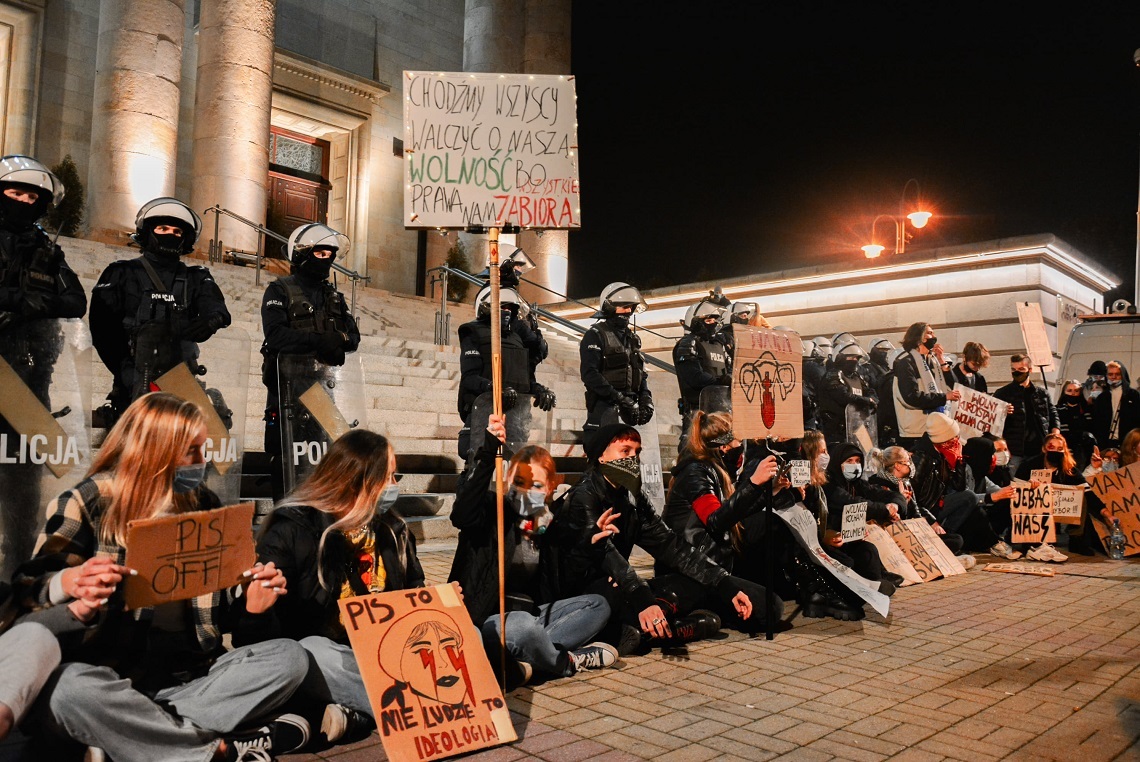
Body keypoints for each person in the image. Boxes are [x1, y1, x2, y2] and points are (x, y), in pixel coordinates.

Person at [13, 393, 310, 761]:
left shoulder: (205, 505)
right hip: (112, 677)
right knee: (65, 689)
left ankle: (131, 738)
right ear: (155, 450)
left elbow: (227, 607)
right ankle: (216, 750)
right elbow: (28, 591)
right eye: (193, 451)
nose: (204, 462)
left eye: (204, 450)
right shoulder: (86, 501)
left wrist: (253, 601)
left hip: (193, 677)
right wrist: (71, 581)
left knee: (289, 657)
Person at [254, 428, 422, 743]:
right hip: (329, 656)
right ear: (357, 481)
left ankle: (357, 715)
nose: (395, 487)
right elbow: (265, 632)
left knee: (471, 639)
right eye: (388, 477)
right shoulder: (293, 529)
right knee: (312, 652)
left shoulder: (394, 529)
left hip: (384, 651)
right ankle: (422, 705)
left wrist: (436, 605)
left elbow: (413, 590)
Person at [545, 423, 754, 653]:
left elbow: (670, 545)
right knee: (615, 598)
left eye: (637, 452)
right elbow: (605, 555)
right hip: (579, 593)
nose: (633, 459)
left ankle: (651, 627)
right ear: (602, 456)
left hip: (620, 582)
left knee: (694, 581)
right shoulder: (583, 497)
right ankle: (663, 629)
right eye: (625, 451)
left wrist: (724, 583)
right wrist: (643, 599)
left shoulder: (632, 496)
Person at [449, 413, 617, 687]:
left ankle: (525, 662)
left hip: (535, 615)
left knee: (597, 605)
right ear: (507, 482)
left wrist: (589, 548)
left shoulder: (549, 525)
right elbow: (462, 513)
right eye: (519, 483)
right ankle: (564, 662)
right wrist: (488, 451)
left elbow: (564, 582)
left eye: (536, 485)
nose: (526, 492)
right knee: (523, 628)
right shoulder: (492, 511)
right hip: (488, 621)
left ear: (550, 487)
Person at [0, 155, 87, 582]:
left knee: (24, 490)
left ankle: (17, 578)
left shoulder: (48, 251)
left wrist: (37, 303)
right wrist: (14, 302)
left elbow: (75, 302)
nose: (24, 201)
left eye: (33, 196)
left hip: (28, 387)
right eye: (15, 192)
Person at [90, 197, 230, 425]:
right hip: (135, 372)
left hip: (181, 376)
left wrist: (211, 320)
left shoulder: (196, 276)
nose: (170, 234)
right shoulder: (122, 272)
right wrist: (124, 369)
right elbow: (102, 327)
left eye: (177, 231)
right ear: (147, 231)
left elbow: (216, 307)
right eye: (162, 228)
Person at [659, 411, 788, 632]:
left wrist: (771, 490)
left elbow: (735, 511)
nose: (742, 448)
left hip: (714, 564)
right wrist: (754, 483)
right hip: (695, 568)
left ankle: (709, 612)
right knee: (770, 608)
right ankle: (703, 610)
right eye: (739, 442)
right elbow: (716, 520)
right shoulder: (696, 473)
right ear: (724, 446)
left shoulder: (716, 470)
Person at [260, 223, 361, 500]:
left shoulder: (335, 297)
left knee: (336, 454)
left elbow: (353, 337)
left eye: (331, 253)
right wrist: (320, 341)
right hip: (287, 392)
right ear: (302, 254)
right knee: (285, 458)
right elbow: (276, 335)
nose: (327, 258)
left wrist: (337, 339)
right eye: (320, 252)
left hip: (322, 391)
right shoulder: (279, 290)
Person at [456, 285, 554, 457]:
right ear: (488, 306)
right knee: (477, 468)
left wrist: (539, 390)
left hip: (515, 418)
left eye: (510, 308)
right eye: (503, 307)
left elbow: (524, 380)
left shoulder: (516, 338)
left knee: (517, 470)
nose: (507, 311)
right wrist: (494, 388)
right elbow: (469, 378)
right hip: (485, 414)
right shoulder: (472, 331)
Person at [909, 412, 1016, 558]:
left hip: (938, 505)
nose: (957, 442)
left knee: (968, 498)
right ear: (943, 441)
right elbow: (912, 497)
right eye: (953, 439)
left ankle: (947, 536)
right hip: (926, 510)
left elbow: (960, 489)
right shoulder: (921, 459)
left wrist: (958, 461)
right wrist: (931, 521)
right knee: (973, 507)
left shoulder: (946, 454)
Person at [1011, 433, 1103, 561]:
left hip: (1058, 509)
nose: (1056, 452)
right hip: (1034, 512)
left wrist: (1106, 513)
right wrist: (1028, 486)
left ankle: (1076, 540)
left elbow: (1088, 492)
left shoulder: (1069, 469)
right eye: (1052, 448)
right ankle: (1031, 541)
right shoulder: (1028, 465)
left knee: (1081, 495)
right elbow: (1013, 491)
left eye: (1060, 449)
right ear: (1044, 449)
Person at [579, 282, 653, 432]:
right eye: (623, 306)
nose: (628, 311)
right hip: (604, 406)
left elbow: (640, 373)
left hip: (631, 408)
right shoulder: (595, 335)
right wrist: (619, 398)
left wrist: (646, 398)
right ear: (609, 307)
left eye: (630, 307)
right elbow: (590, 374)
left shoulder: (633, 338)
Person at [868, 446, 966, 557]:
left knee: (956, 539)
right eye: (907, 461)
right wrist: (902, 500)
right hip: (896, 538)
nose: (911, 464)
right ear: (898, 466)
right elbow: (891, 520)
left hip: (913, 531)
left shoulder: (905, 482)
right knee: (953, 542)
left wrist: (929, 525)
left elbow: (915, 513)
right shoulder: (878, 485)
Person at [892, 322, 961, 449]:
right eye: (929, 333)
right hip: (916, 432)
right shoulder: (905, 363)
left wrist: (942, 361)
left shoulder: (933, 360)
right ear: (918, 339)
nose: (933, 337)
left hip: (938, 428)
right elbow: (911, 397)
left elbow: (954, 386)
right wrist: (944, 397)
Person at [673, 293, 731, 443]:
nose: (713, 323)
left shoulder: (719, 345)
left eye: (715, 319)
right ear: (696, 321)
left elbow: (731, 370)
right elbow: (693, 375)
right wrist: (719, 381)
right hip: (697, 409)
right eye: (708, 319)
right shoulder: (688, 343)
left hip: (722, 409)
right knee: (692, 447)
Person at [993, 354, 1061, 472]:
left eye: (1021, 369)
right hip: (1015, 450)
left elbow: (1053, 413)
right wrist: (1003, 413)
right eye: (1013, 369)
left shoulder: (1042, 393)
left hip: (1038, 449)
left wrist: (1055, 432)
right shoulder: (1002, 393)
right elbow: (994, 421)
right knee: (1016, 483)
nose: (1017, 373)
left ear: (1029, 370)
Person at [817, 337, 877, 446]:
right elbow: (842, 396)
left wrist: (873, 399)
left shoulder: (856, 376)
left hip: (859, 425)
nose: (855, 361)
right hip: (837, 429)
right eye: (852, 357)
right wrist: (866, 400)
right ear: (841, 358)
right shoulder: (833, 375)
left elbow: (869, 390)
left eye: (857, 358)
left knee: (867, 452)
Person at [1091, 360, 1140, 451]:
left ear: (1123, 375)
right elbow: (1097, 423)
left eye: (1117, 374)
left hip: (1128, 443)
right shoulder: (1102, 397)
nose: (1113, 377)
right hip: (1106, 444)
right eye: (1110, 374)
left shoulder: (1133, 395)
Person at [1056, 378, 1094, 444]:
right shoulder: (1057, 410)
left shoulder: (1087, 409)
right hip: (1064, 442)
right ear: (1064, 392)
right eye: (1069, 390)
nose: (1073, 393)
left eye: (1076, 391)